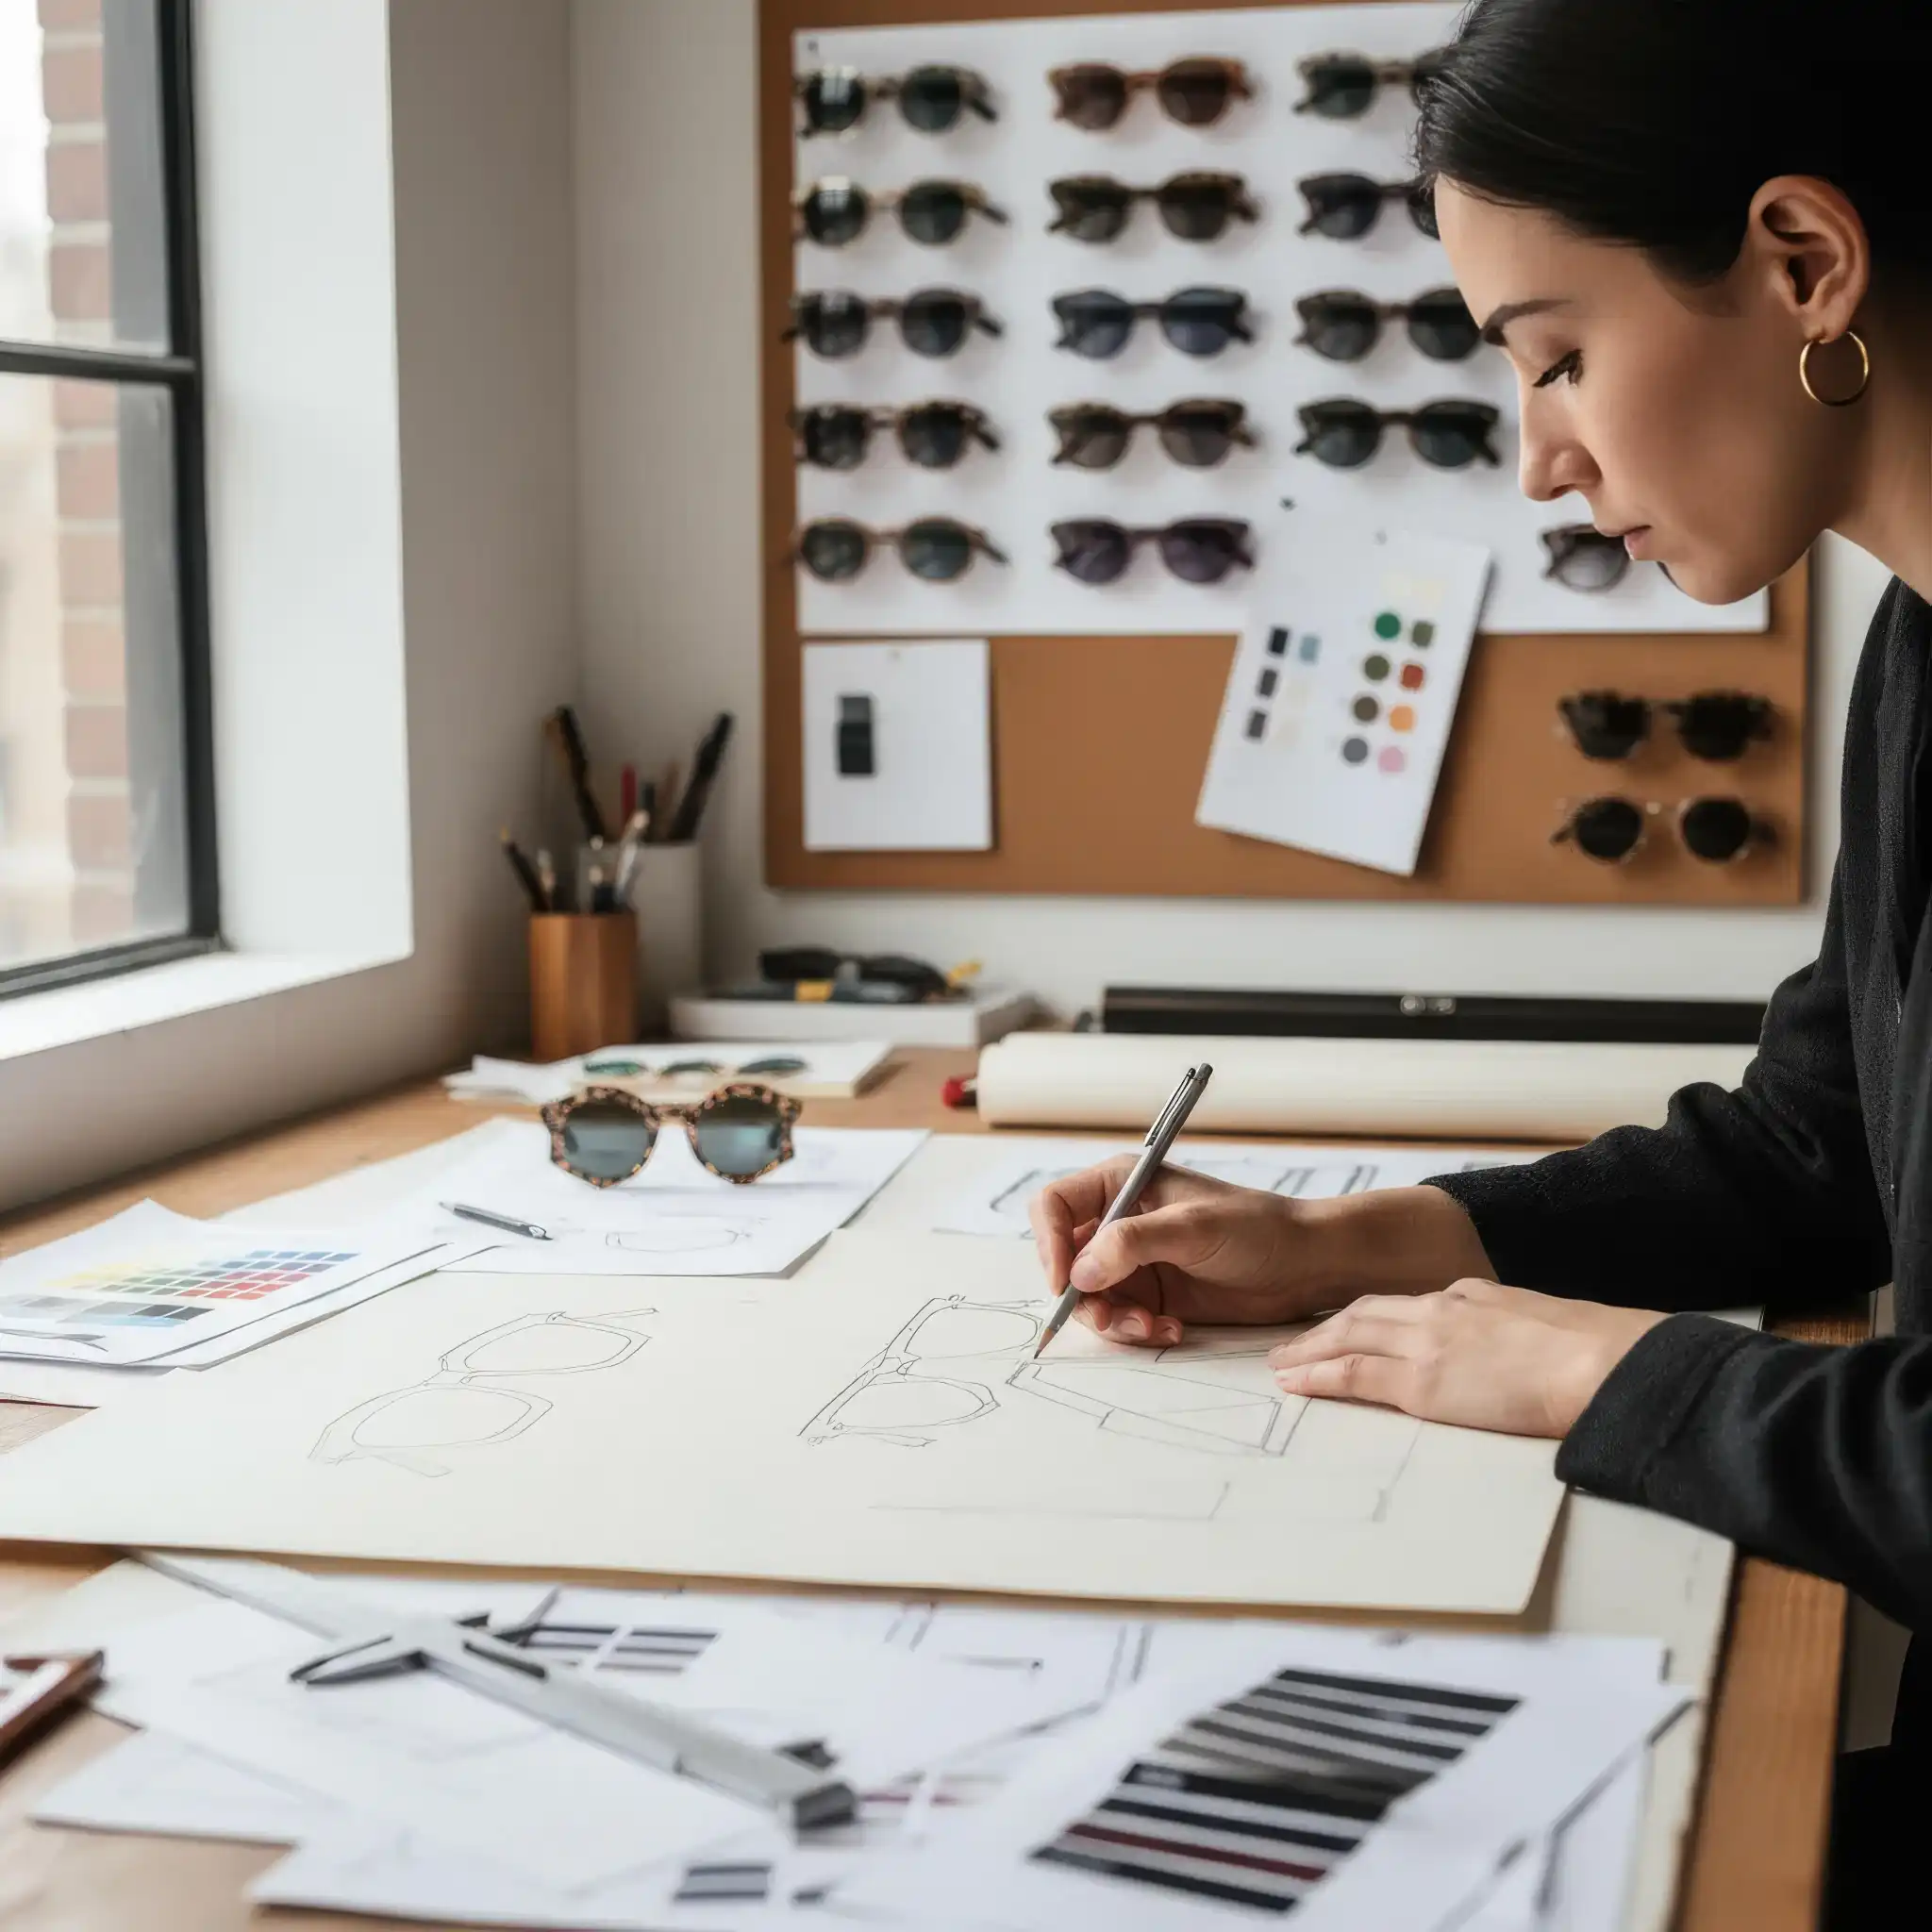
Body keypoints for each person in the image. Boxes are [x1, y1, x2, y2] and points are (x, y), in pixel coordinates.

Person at [1030, 3, 1932, 1919]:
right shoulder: (1918, 654)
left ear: (1800, 260)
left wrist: (1615, 1380)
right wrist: (1346, 1238)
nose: (1537, 464)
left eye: (1557, 357)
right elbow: (1807, 1156)